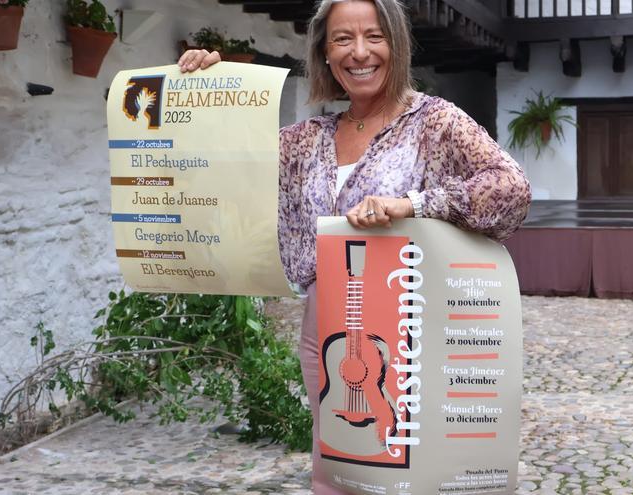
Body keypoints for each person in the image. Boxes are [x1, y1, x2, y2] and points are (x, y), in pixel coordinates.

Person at [179, 0, 530, 492]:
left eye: (374, 36)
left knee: (407, 473)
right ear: (324, 53)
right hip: (326, 337)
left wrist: (415, 203)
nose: (359, 52)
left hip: (407, 336)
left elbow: (510, 190)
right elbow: (219, 164)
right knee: (340, 469)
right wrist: (206, 86)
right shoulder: (306, 141)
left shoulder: (433, 123)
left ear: (397, 45)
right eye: (342, 39)